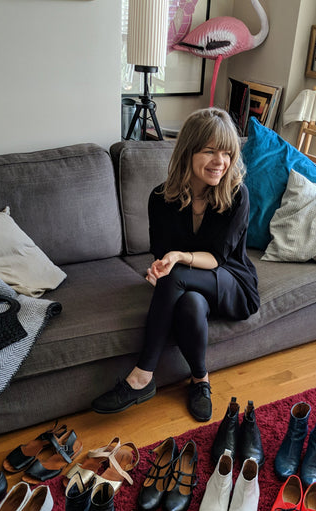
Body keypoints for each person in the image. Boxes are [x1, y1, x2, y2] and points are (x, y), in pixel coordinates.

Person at [92, 107, 260, 422]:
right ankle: (200, 381)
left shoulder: (236, 194)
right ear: (188, 151)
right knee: (190, 305)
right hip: (192, 289)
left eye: (226, 153)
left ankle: (142, 376)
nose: (220, 161)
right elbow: (164, 254)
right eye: (210, 151)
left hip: (232, 283)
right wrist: (160, 270)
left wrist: (178, 260)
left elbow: (217, 258)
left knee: (179, 277)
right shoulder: (161, 198)